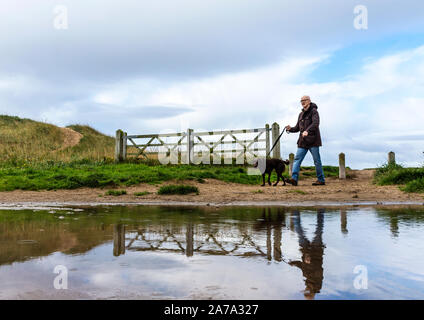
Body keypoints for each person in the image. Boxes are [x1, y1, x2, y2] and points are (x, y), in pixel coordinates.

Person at [285, 96, 325, 186]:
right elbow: (297, 128)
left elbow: (316, 123)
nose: (303, 102)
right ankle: (294, 179)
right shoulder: (301, 114)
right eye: (301, 101)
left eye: (305, 100)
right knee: (297, 159)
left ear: (309, 101)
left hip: (313, 141)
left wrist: (307, 130)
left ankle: (321, 180)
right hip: (302, 142)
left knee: (317, 161)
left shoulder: (314, 111)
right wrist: (290, 129)